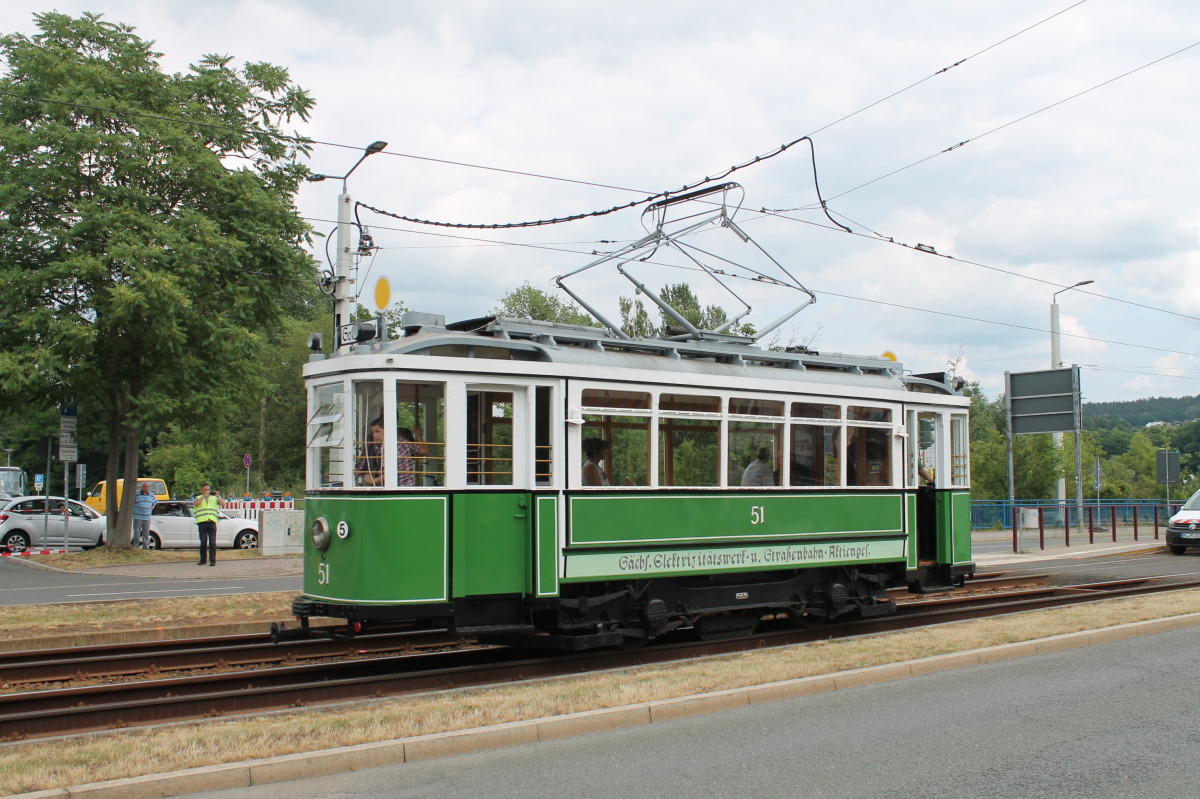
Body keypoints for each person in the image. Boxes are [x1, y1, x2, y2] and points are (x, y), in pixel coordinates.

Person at [192, 484, 220, 566]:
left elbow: (222, 503)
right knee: (203, 542)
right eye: (205, 489)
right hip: (202, 522)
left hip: (211, 522)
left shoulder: (214, 498)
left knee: (213, 542)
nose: (207, 491)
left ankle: (212, 561)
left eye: (208, 489)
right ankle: (203, 559)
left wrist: (219, 496)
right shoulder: (198, 497)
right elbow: (196, 504)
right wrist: (203, 496)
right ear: (202, 490)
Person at [356, 419, 384, 486]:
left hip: (402, 488)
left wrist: (373, 480)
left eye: (377, 432)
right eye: (373, 432)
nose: (374, 435)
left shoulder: (396, 445)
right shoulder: (378, 445)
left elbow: (394, 472)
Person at [132, 481, 158, 549]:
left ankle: (145, 547)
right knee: (137, 532)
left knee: (146, 533)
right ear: (142, 487)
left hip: (147, 517)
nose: (146, 488)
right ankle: (136, 546)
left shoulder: (151, 495)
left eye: (148, 487)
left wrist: (152, 507)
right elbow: (132, 502)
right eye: (145, 486)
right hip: (137, 516)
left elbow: (155, 501)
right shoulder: (137, 494)